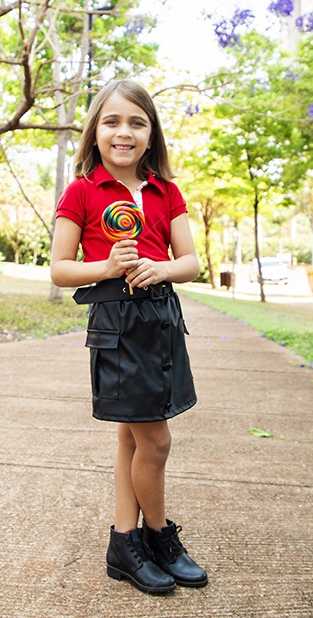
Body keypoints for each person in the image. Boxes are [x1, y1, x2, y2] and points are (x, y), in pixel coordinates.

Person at [50, 79, 207, 595]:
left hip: (160, 320)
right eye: (112, 121)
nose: (124, 132)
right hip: (117, 325)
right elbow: (59, 269)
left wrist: (159, 268)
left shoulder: (166, 191)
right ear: (95, 131)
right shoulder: (82, 192)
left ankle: (124, 542)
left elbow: (191, 262)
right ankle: (158, 537)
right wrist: (107, 265)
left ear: (151, 133)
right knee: (155, 440)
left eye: (137, 122)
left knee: (131, 437)